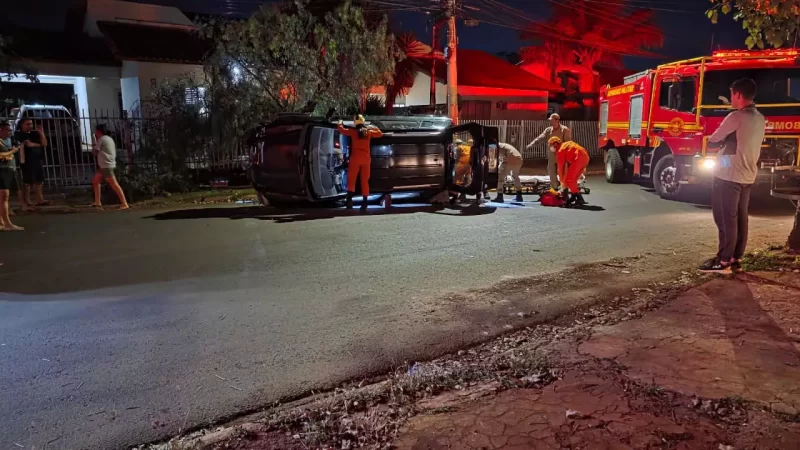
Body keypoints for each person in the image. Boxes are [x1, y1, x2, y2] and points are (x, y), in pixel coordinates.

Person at [700, 78, 766, 273]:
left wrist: (717, 145)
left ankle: (724, 261)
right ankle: (736, 256)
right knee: (740, 218)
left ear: (738, 94)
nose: (730, 98)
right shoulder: (759, 117)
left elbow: (714, 139)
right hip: (747, 174)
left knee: (724, 218)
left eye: (731, 94)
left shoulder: (735, 117)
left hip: (729, 175)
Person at [337, 115, 383, 211]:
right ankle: (364, 203)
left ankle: (349, 202)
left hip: (355, 159)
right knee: (365, 181)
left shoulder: (353, 132)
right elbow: (380, 134)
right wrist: (372, 127)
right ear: (363, 122)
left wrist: (340, 122)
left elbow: (341, 130)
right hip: (366, 159)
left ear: (355, 123)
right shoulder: (369, 132)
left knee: (351, 180)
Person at [526, 113, 571, 190]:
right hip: (552, 155)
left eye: (552, 120)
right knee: (551, 172)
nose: (550, 122)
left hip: (561, 155)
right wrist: (532, 144)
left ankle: (564, 190)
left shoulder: (564, 130)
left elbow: (568, 143)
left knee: (562, 173)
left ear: (557, 120)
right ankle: (555, 189)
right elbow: (540, 138)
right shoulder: (548, 130)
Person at [91, 124, 129, 210]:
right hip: (105, 165)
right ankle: (97, 202)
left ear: (98, 131)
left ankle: (124, 204)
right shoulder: (109, 139)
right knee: (96, 181)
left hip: (106, 166)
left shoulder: (101, 139)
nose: (95, 132)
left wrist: (94, 142)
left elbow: (94, 152)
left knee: (114, 184)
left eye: (96, 130)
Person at [15, 118, 50, 207]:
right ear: (22, 125)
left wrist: (41, 133)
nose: (30, 126)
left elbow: (44, 143)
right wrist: (38, 144)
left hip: (37, 159)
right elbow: (28, 144)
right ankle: (27, 200)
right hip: (27, 160)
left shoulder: (34, 133)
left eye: (31, 124)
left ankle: (40, 199)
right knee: (28, 181)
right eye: (27, 124)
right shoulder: (19, 134)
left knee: (39, 180)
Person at [549, 136, 589, 207]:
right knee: (573, 180)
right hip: (585, 157)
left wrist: (562, 183)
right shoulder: (565, 145)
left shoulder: (560, 150)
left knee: (569, 180)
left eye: (550, 145)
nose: (550, 147)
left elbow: (560, 168)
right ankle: (576, 197)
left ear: (555, 144)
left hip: (578, 158)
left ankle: (577, 197)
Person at [0, 121, 24, 231]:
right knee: (4, 197)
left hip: (9, 169)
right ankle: (7, 223)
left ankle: (2, 222)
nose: (10, 132)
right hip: (2, 171)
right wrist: (12, 152)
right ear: (2, 130)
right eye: (8, 130)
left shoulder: (9, 140)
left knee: (4, 198)